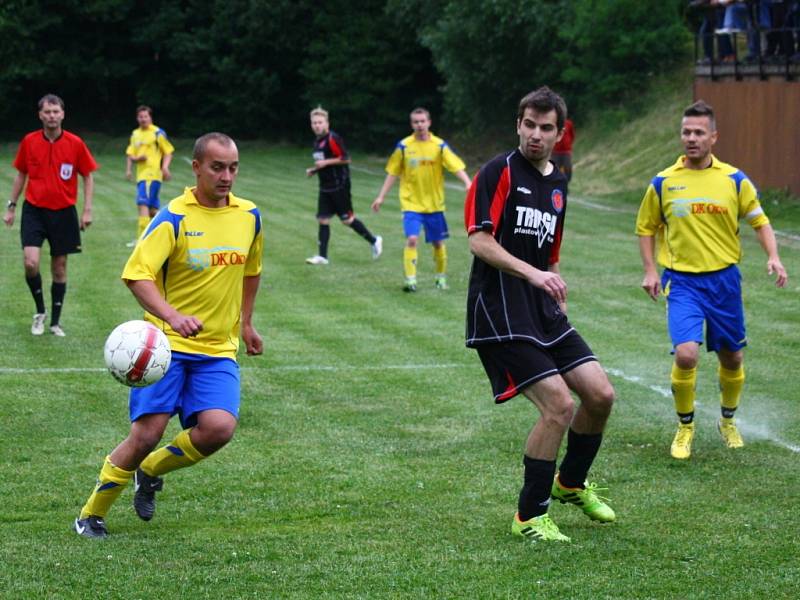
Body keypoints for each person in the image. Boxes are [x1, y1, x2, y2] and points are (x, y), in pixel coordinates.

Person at [74, 132, 264, 538]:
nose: (226, 176)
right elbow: (136, 274)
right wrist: (172, 316)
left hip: (217, 349)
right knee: (146, 434)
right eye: (217, 167)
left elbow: (251, 270)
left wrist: (246, 323)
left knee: (218, 429)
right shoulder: (174, 217)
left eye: (232, 167)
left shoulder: (249, 217)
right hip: (166, 347)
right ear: (196, 168)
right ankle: (91, 514)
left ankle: (151, 471)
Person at [465, 87, 616, 543]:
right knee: (558, 406)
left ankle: (569, 484)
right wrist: (534, 275)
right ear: (518, 124)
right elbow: (479, 240)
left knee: (600, 395)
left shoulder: (558, 186)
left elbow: (550, 255)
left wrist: (553, 286)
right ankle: (529, 515)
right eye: (528, 124)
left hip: (542, 311)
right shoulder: (498, 172)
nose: (535, 134)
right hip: (500, 311)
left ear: (560, 133)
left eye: (545, 127)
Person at [636, 100, 788, 460]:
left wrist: (773, 256)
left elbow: (759, 221)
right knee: (687, 355)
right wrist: (649, 270)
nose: (691, 138)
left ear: (713, 137)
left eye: (698, 132)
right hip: (683, 282)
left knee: (732, 357)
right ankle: (685, 426)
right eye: (686, 132)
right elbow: (646, 227)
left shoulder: (734, 180)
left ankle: (727, 421)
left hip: (724, 282)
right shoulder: (664, 182)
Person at [3, 93, 97, 337]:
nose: (52, 116)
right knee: (31, 262)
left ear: (63, 114)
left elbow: (88, 175)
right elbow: (21, 174)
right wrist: (11, 206)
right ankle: (40, 312)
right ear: (40, 115)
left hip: (64, 212)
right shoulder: (29, 141)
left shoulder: (75, 143)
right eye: (47, 112)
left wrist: (87, 209)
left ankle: (55, 322)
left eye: (56, 111)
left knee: (59, 267)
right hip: (34, 210)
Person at [371, 107, 471, 292]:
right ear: (412, 124)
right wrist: (381, 197)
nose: (419, 125)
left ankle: (440, 278)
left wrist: (468, 183)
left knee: (438, 243)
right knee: (412, 239)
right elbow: (393, 172)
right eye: (416, 122)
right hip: (411, 204)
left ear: (429, 122)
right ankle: (411, 280)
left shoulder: (439, 146)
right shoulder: (404, 146)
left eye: (422, 121)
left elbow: (455, 166)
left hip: (434, 205)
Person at [304, 106, 382, 265]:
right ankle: (323, 257)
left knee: (347, 220)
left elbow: (346, 158)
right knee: (323, 219)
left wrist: (325, 162)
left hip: (340, 186)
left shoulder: (333, 139)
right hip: (325, 187)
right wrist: (314, 170)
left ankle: (374, 241)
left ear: (327, 123)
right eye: (314, 123)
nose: (317, 125)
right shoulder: (317, 142)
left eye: (320, 122)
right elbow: (324, 164)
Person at [125, 105, 174, 246]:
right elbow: (130, 154)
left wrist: (164, 167)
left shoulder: (157, 133)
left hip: (152, 175)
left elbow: (168, 151)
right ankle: (169, 226)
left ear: (150, 117)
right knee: (152, 210)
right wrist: (130, 168)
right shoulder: (135, 134)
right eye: (140, 116)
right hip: (142, 175)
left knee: (142, 204)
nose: (143, 119)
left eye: (145, 116)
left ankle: (142, 240)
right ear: (137, 118)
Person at [551, 117, 575, 182]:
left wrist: (569, 144)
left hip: (566, 151)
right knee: (555, 169)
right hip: (555, 151)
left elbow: (572, 135)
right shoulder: (553, 123)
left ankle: (566, 183)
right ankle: (555, 184)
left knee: (568, 167)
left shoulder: (568, 123)